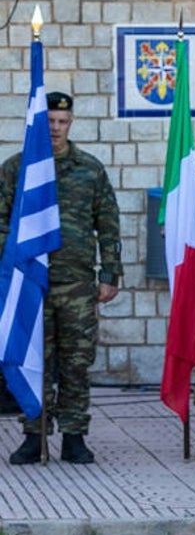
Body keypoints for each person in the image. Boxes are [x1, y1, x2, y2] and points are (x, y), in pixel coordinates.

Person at [4, 91, 122, 465]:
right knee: (33, 359)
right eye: (50, 121)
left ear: (70, 124)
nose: (55, 128)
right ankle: (33, 436)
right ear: (40, 123)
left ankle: (74, 436)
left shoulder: (90, 169)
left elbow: (108, 224)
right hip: (29, 286)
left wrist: (110, 274)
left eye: (62, 122)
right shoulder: (17, 169)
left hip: (76, 286)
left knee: (75, 362)